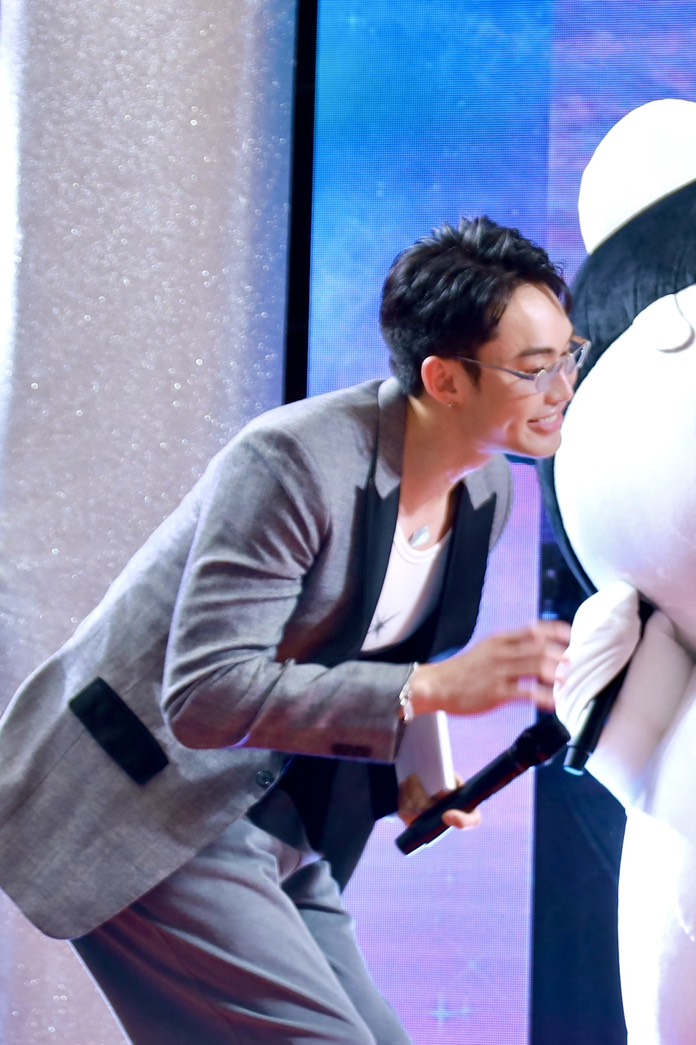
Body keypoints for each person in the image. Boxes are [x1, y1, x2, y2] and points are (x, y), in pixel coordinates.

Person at [0, 216, 576, 1043]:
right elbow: (205, 694)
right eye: (533, 369)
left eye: (568, 355)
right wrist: (434, 688)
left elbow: (395, 654)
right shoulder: (292, 461)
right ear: (445, 378)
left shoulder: (489, 488)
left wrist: (420, 774)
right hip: (149, 795)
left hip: (281, 814)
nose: (563, 388)